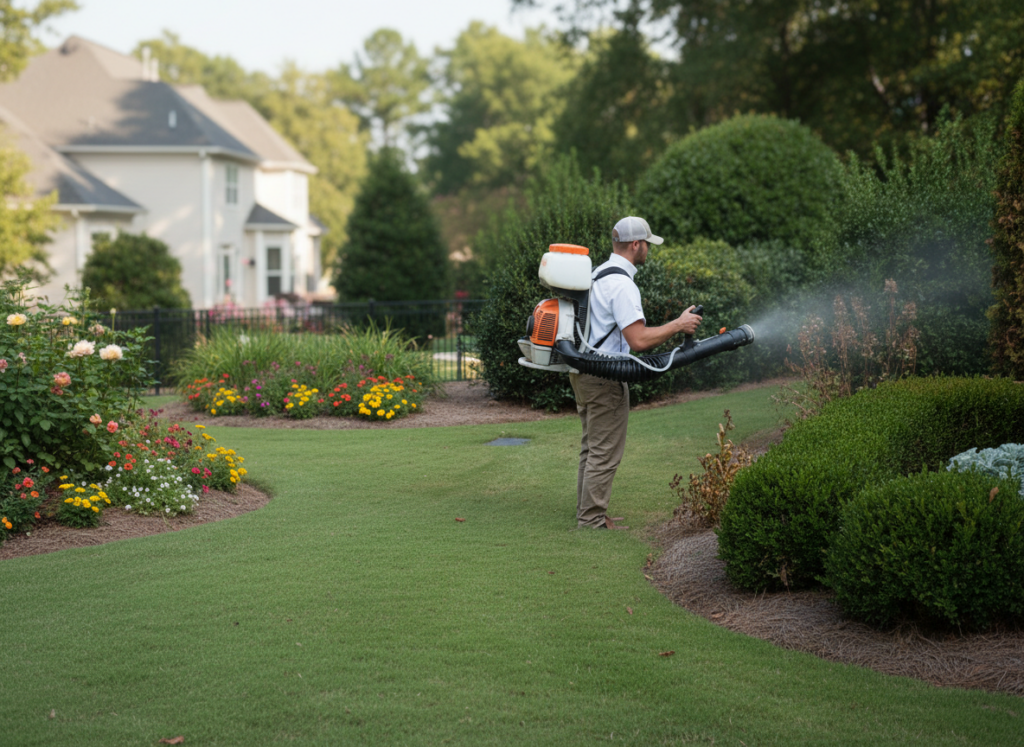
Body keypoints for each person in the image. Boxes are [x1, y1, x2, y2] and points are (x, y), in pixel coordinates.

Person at [569, 216, 703, 529]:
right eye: (647, 244)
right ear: (635, 245)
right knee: (604, 452)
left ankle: (589, 511)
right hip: (605, 377)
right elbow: (638, 340)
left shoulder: (599, 273)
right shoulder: (622, 285)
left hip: (585, 372)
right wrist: (678, 325)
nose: (648, 250)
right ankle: (590, 520)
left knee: (591, 448)